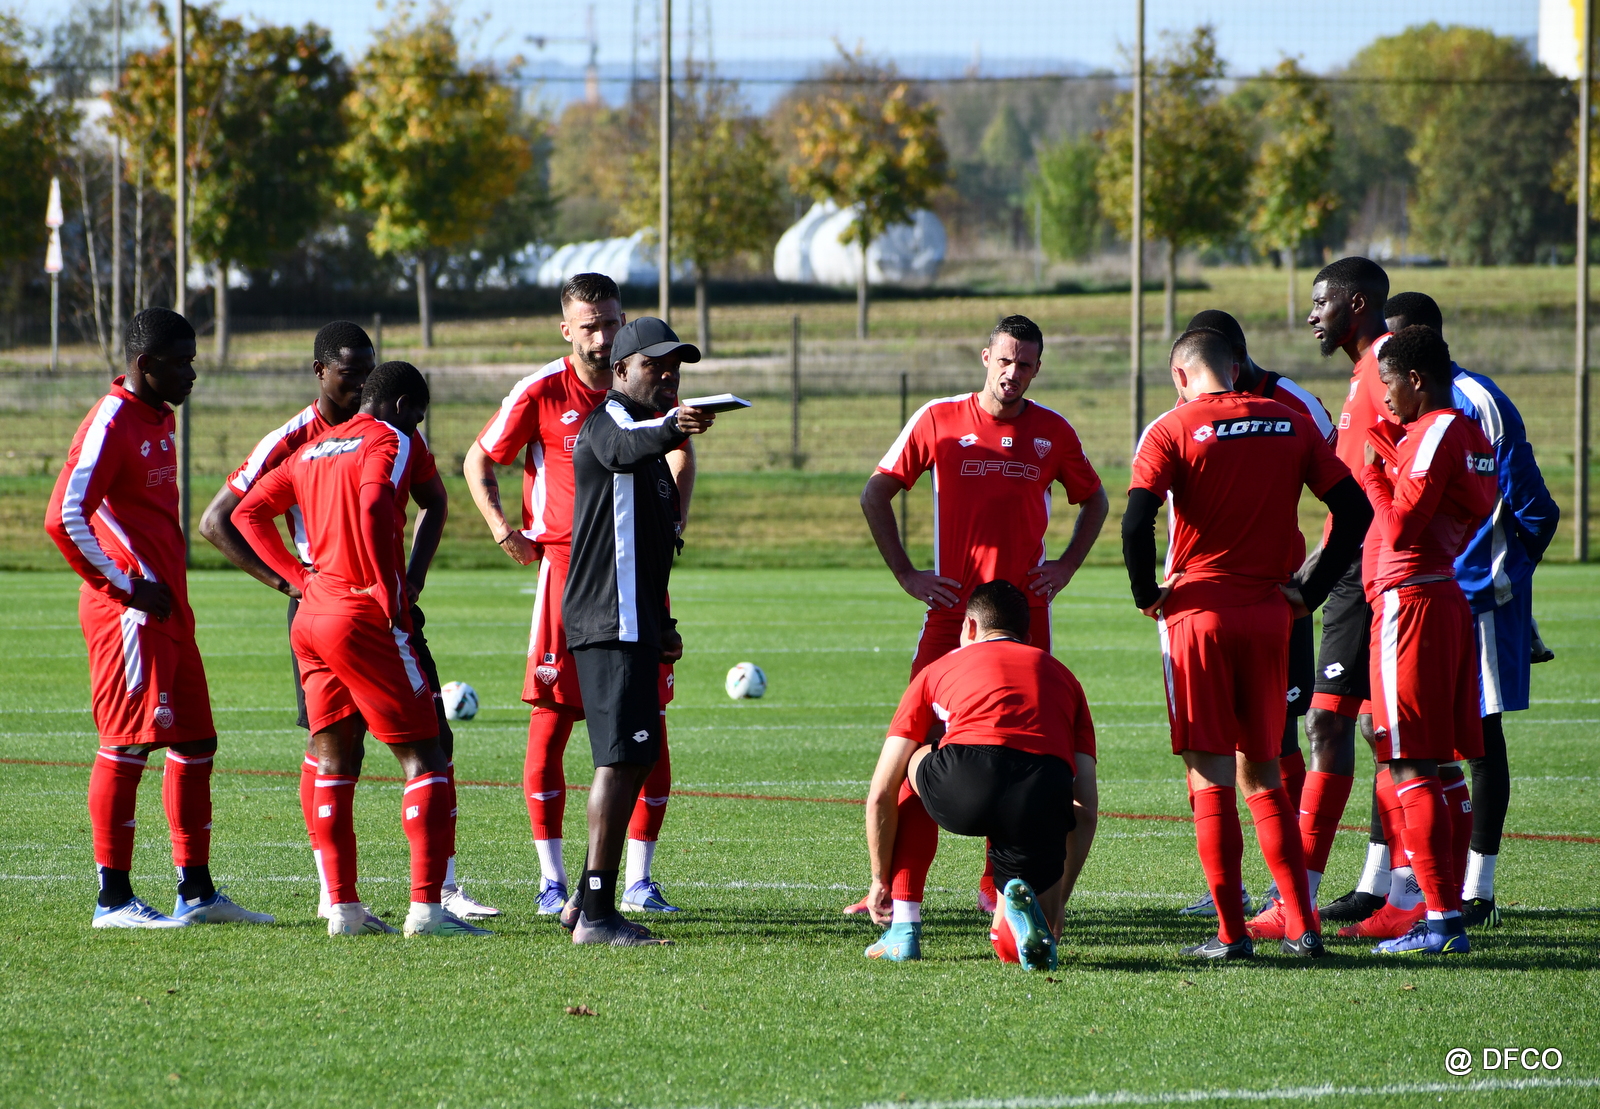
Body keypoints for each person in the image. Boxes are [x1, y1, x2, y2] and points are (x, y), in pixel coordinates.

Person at [198, 321, 497, 929]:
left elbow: (256, 511)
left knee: (335, 754)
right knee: (425, 751)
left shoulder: (311, 452)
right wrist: (372, 584)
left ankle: (342, 905)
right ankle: (427, 906)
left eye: (367, 370)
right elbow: (227, 517)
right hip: (361, 607)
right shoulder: (379, 439)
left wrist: (311, 582)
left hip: (317, 611)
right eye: (347, 370)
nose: (358, 380)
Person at [851, 314, 1109, 927]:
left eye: (1025, 365)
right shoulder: (939, 420)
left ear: (1037, 369)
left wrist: (1067, 565)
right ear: (984, 356)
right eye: (1004, 360)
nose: (1012, 373)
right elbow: (876, 492)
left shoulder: (1053, 433)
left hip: (1024, 623)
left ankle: (1000, 888)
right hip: (952, 620)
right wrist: (909, 575)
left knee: (1021, 754)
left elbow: (1095, 499)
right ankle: (899, 895)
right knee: (919, 752)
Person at [1122, 327, 1370, 960]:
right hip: (1270, 615)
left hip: (1198, 617)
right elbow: (1354, 508)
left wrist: (1146, 591)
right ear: (1235, 368)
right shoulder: (1286, 420)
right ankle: (1303, 925)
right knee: (1264, 774)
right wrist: (1307, 592)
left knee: (1209, 777)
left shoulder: (1169, 429)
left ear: (1180, 376)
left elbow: (1137, 518)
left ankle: (1232, 934)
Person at [463, 274, 691, 916]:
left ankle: (635, 880)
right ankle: (557, 881)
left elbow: (673, 460)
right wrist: (503, 529)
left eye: (611, 321)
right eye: (589, 324)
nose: (601, 334)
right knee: (557, 722)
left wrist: (671, 528)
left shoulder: (651, 397)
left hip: (639, 580)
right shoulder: (548, 393)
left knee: (645, 734)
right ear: (567, 329)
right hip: (572, 573)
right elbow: (479, 459)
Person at [44, 307, 273, 928]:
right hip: (130, 614)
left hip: (169, 607)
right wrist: (125, 587)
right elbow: (63, 515)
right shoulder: (111, 420)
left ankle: (194, 892)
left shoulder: (158, 418)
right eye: (182, 361)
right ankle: (112, 899)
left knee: (197, 740)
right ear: (145, 364)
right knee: (126, 745)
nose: (193, 373)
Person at [1377, 293, 1559, 929]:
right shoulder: (1418, 410)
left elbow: (1532, 510)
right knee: (1416, 740)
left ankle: (1470, 893)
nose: (1380, 365)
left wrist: (1494, 586)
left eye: (1388, 352)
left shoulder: (1472, 405)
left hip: (1457, 598)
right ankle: (1405, 890)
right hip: (1428, 594)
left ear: (1414, 351)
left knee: (1469, 742)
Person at [1174, 309, 1336, 925]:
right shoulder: (1223, 416)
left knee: (1261, 751)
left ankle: (1280, 900)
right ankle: (1263, 900)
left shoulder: (1292, 405)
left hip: (1260, 600)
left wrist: (1308, 585)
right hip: (1241, 604)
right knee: (1251, 759)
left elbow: (1342, 495)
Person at [559, 318, 716, 945]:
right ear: (621, 369)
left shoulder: (652, 447)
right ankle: (597, 913)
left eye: (676, 366)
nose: (669, 375)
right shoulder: (611, 421)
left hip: (635, 620)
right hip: (609, 619)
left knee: (635, 755)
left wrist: (665, 622)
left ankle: (581, 902)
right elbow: (623, 446)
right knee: (621, 760)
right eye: (656, 365)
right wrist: (673, 428)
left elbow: (649, 546)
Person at [862, 581, 1096, 970]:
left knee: (909, 766)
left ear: (969, 627)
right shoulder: (1065, 678)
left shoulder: (939, 669)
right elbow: (1084, 807)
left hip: (967, 782)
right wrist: (1060, 901)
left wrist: (878, 879)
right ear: (1029, 636)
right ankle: (1029, 919)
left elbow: (880, 792)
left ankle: (903, 929)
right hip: (1041, 792)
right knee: (1021, 933)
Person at [1355, 325, 1497, 956]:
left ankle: (1439, 918)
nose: (1384, 396)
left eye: (1388, 383)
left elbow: (1404, 526)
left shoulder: (1435, 430)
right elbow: (1468, 510)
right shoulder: (1467, 434)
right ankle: (1447, 909)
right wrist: (1392, 450)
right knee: (1439, 763)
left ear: (1415, 379)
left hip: (1410, 604)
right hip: (1441, 600)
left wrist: (1373, 476)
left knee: (1408, 760)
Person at [1299, 258, 1402, 929]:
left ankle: (1301, 896)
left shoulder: (1389, 365)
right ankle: (1392, 891)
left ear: (1355, 304)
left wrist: (1318, 574)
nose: (1311, 315)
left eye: (1320, 303)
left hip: (1369, 575)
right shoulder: (1363, 369)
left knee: (1337, 723)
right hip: (1352, 570)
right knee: (1357, 724)